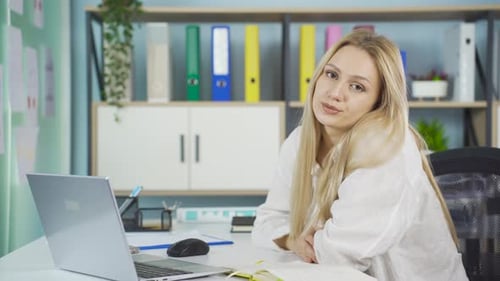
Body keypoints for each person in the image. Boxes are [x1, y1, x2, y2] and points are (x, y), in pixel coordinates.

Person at [251, 30, 468, 281]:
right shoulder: (300, 142)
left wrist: (312, 241)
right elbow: (266, 224)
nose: (335, 93)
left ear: (379, 102)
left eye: (357, 87)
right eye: (331, 74)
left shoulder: (388, 149)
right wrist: (293, 240)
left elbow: (337, 256)